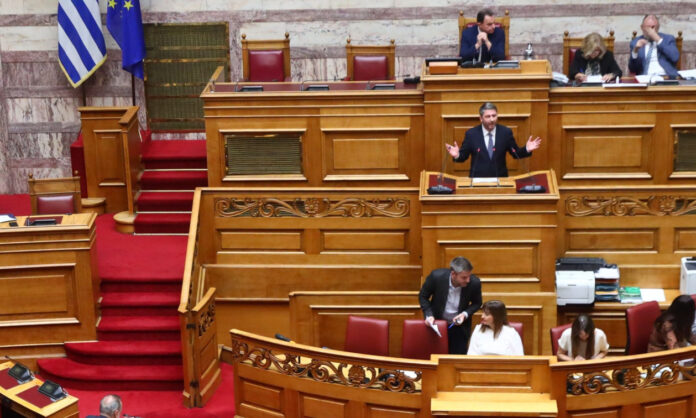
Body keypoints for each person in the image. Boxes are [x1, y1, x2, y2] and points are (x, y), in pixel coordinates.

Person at [445, 102, 542, 177]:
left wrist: (526, 149)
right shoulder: (471, 134)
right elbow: (463, 157)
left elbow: (515, 153)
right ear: (481, 118)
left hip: (501, 179)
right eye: (488, 116)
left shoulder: (505, 132)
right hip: (477, 180)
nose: (492, 119)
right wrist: (457, 155)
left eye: (494, 116)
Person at [419, 256, 482, 354]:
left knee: (457, 360)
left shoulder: (474, 283)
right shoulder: (436, 277)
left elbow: (477, 303)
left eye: (469, 276)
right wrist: (429, 314)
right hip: (437, 325)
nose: (468, 280)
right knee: (436, 357)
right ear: (453, 274)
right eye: (464, 277)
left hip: (459, 329)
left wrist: (464, 314)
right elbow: (423, 296)